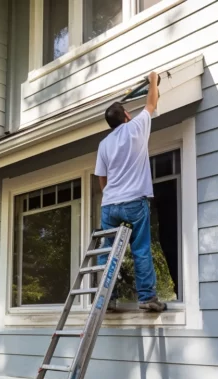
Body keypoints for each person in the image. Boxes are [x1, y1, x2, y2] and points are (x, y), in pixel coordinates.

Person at [94, 71, 166, 312]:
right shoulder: (136, 126)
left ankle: (108, 299)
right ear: (126, 115)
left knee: (108, 251)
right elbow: (151, 103)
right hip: (134, 202)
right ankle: (147, 298)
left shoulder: (104, 144)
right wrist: (153, 81)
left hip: (110, 204)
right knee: (141, 248)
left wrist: (111, 197)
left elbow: (102, 179)